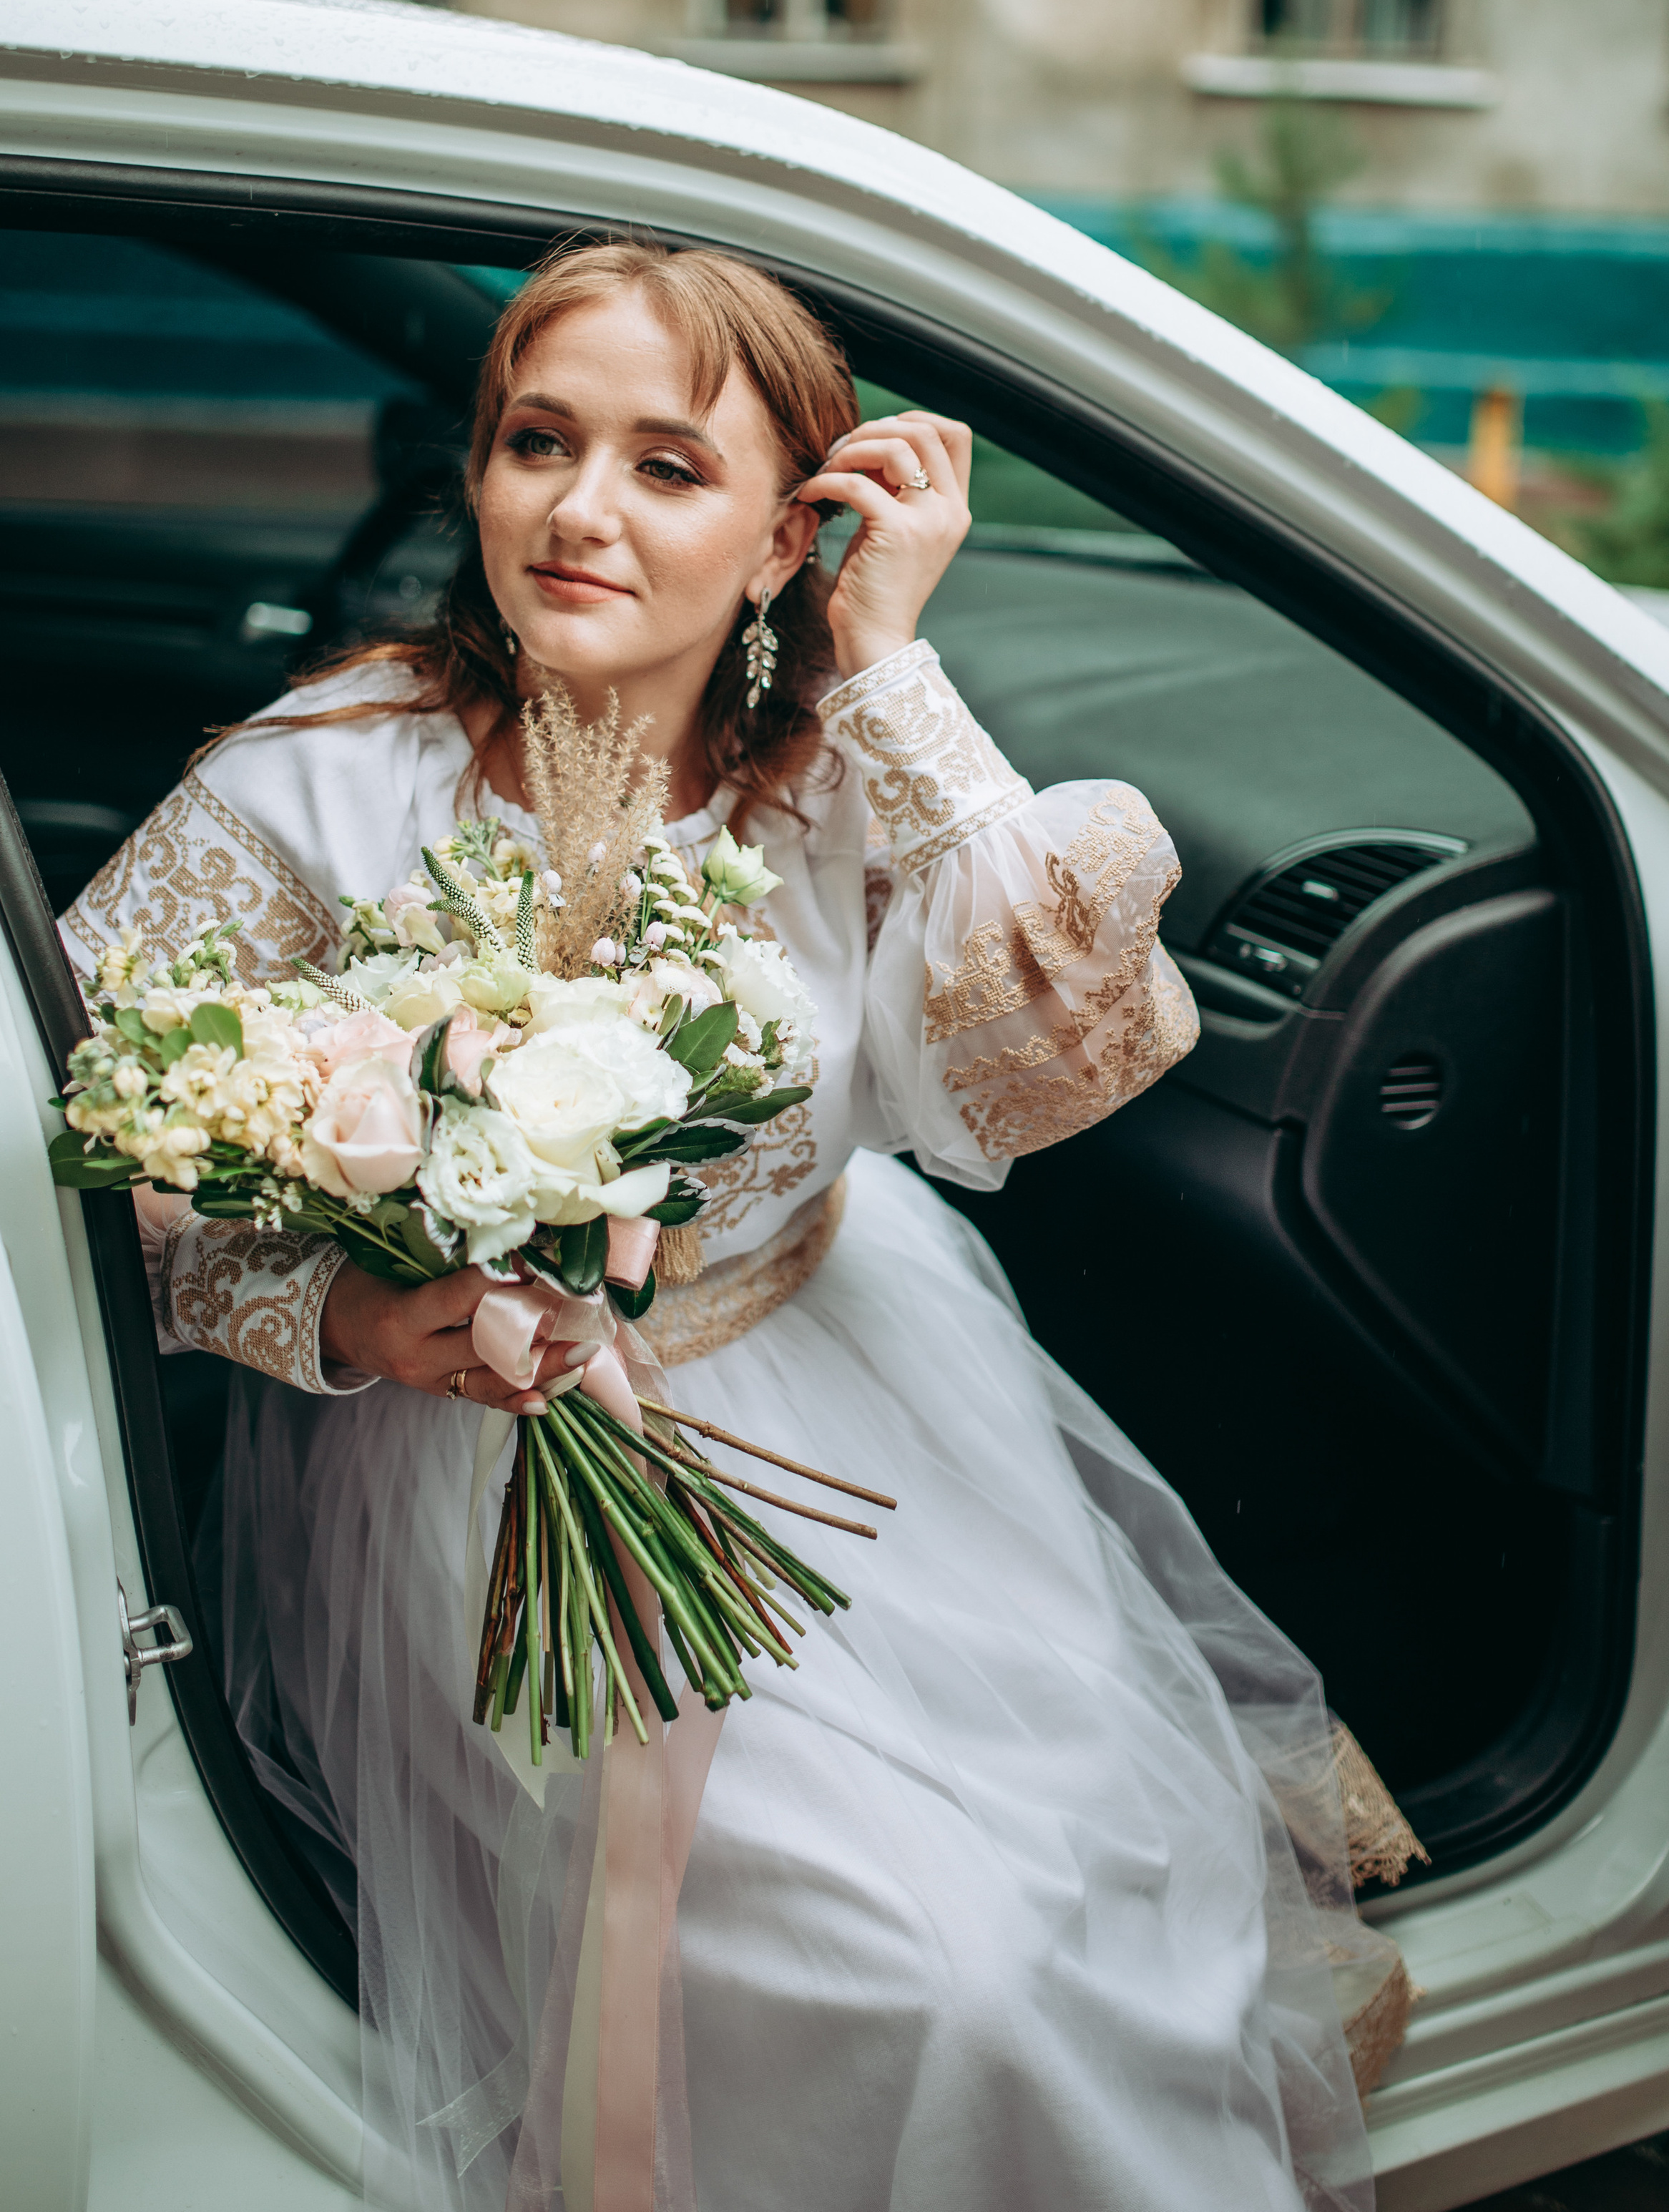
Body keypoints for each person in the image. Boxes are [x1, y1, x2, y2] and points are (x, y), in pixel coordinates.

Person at [62, 240, 1406, 2212]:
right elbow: (80, 1152)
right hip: (474, 1481)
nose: (581, 510)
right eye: (538, 442)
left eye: (667, 467)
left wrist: (888, 664)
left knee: (1055, 1931)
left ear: (787, 535)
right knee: (913, 1985)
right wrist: (339, 1309)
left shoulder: (846, 784)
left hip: (852, 1424)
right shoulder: (322, 781)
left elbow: (1054, 1060)